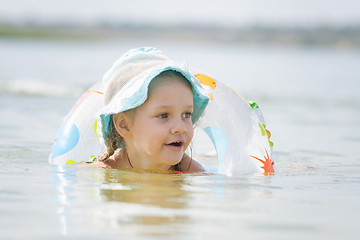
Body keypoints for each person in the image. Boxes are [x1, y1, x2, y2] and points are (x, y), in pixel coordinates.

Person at [92, 47, 210, 173]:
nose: (181, 127)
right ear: (124, 125)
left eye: (186, 114)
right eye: (163, 115)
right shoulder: (107, 170)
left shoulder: (191, 171)